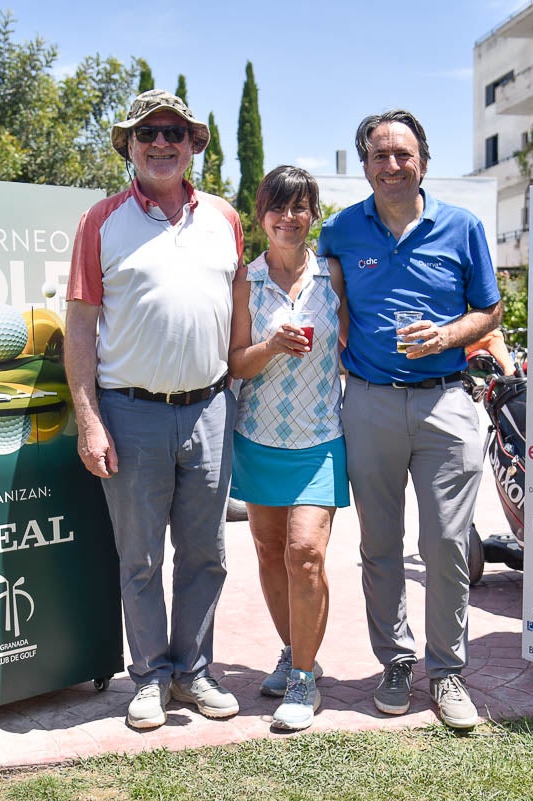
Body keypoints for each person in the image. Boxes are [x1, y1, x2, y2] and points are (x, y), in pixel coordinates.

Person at [64, 90, 244, 730]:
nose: (161, 143)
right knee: (139, 558)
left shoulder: (225, 219)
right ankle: (149, 678)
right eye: (148, 134)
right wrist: (89, 419)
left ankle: (193, 673)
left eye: (174, 132)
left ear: (193, 144)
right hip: (130, 413)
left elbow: (239, 313)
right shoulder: (101, 221)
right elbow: (79, 327)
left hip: (210, 409)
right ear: (130, 147)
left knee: (206, 555)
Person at [318, 109, 503, 730]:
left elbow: (491, 311)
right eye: (380, 155)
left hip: (445, 402)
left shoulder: (463, 226)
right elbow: (322, 301)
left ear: (423, 161)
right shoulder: (341, 230)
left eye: (403, 154)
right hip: (368, 402)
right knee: (379, 544)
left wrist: (447, 334)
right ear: (365, 164)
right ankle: (395, 662)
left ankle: (447, 672)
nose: (392, 165)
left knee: (446, 544)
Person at [227, 166, 349, 731]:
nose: (289, 218)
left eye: (300, 207)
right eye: (278, 207)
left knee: (305, 554)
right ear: (261, 216)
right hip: (258, 436)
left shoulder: (333, 275)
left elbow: (355, 341)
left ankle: (303, 680)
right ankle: (295, 651)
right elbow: (236, 364)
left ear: (313, 215)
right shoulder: (245, 281)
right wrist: (272, 345)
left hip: (320, 437)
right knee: (269, 551)